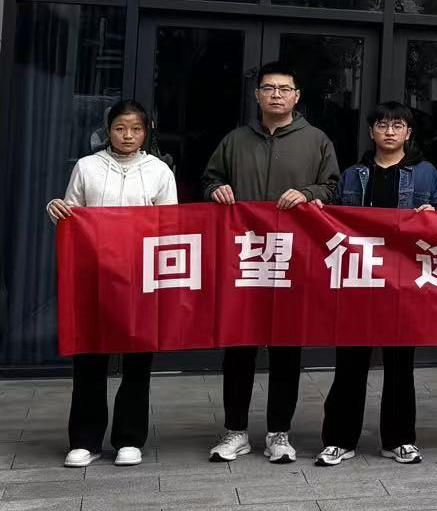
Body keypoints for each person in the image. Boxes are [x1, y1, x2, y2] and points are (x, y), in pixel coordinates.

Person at [202, 62, 340, 464]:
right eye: (269, 88)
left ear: (297, 96)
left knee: (286, 351)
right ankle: (235, 431)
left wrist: (308, 193)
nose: (276, 95)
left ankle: (279, 433)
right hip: (244, 260)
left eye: (284, 89)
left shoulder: (316, 140)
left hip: (292, 260)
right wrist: (216, 189)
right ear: (257, 95)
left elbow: (333, 187)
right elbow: (209, 179)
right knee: (239, 349)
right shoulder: (236, 140)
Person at [46, 100, 178, 468]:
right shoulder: (87, 167)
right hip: (93, 276)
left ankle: (129, 439)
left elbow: (170, 225)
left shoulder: (159, 171)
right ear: (109, 131)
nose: (128, 136)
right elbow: (71, 217)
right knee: (89, 357)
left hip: (140, 276)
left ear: (146, 132)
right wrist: (57, 209)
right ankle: (84, 440)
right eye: (120, 128)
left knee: (137, 361)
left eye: (135, 129)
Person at [316, 102, 437, 468]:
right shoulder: (353, 175)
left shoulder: (425, 173)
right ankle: (339, 440)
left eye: (398, 125)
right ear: (372, 131)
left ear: (409, 133)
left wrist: (433, 215)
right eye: (382, 125)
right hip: (359, 278)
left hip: (404, 281)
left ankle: (400, 440)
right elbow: (333, 220)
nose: (390, 131)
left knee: (400, 364)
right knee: (350, 363)